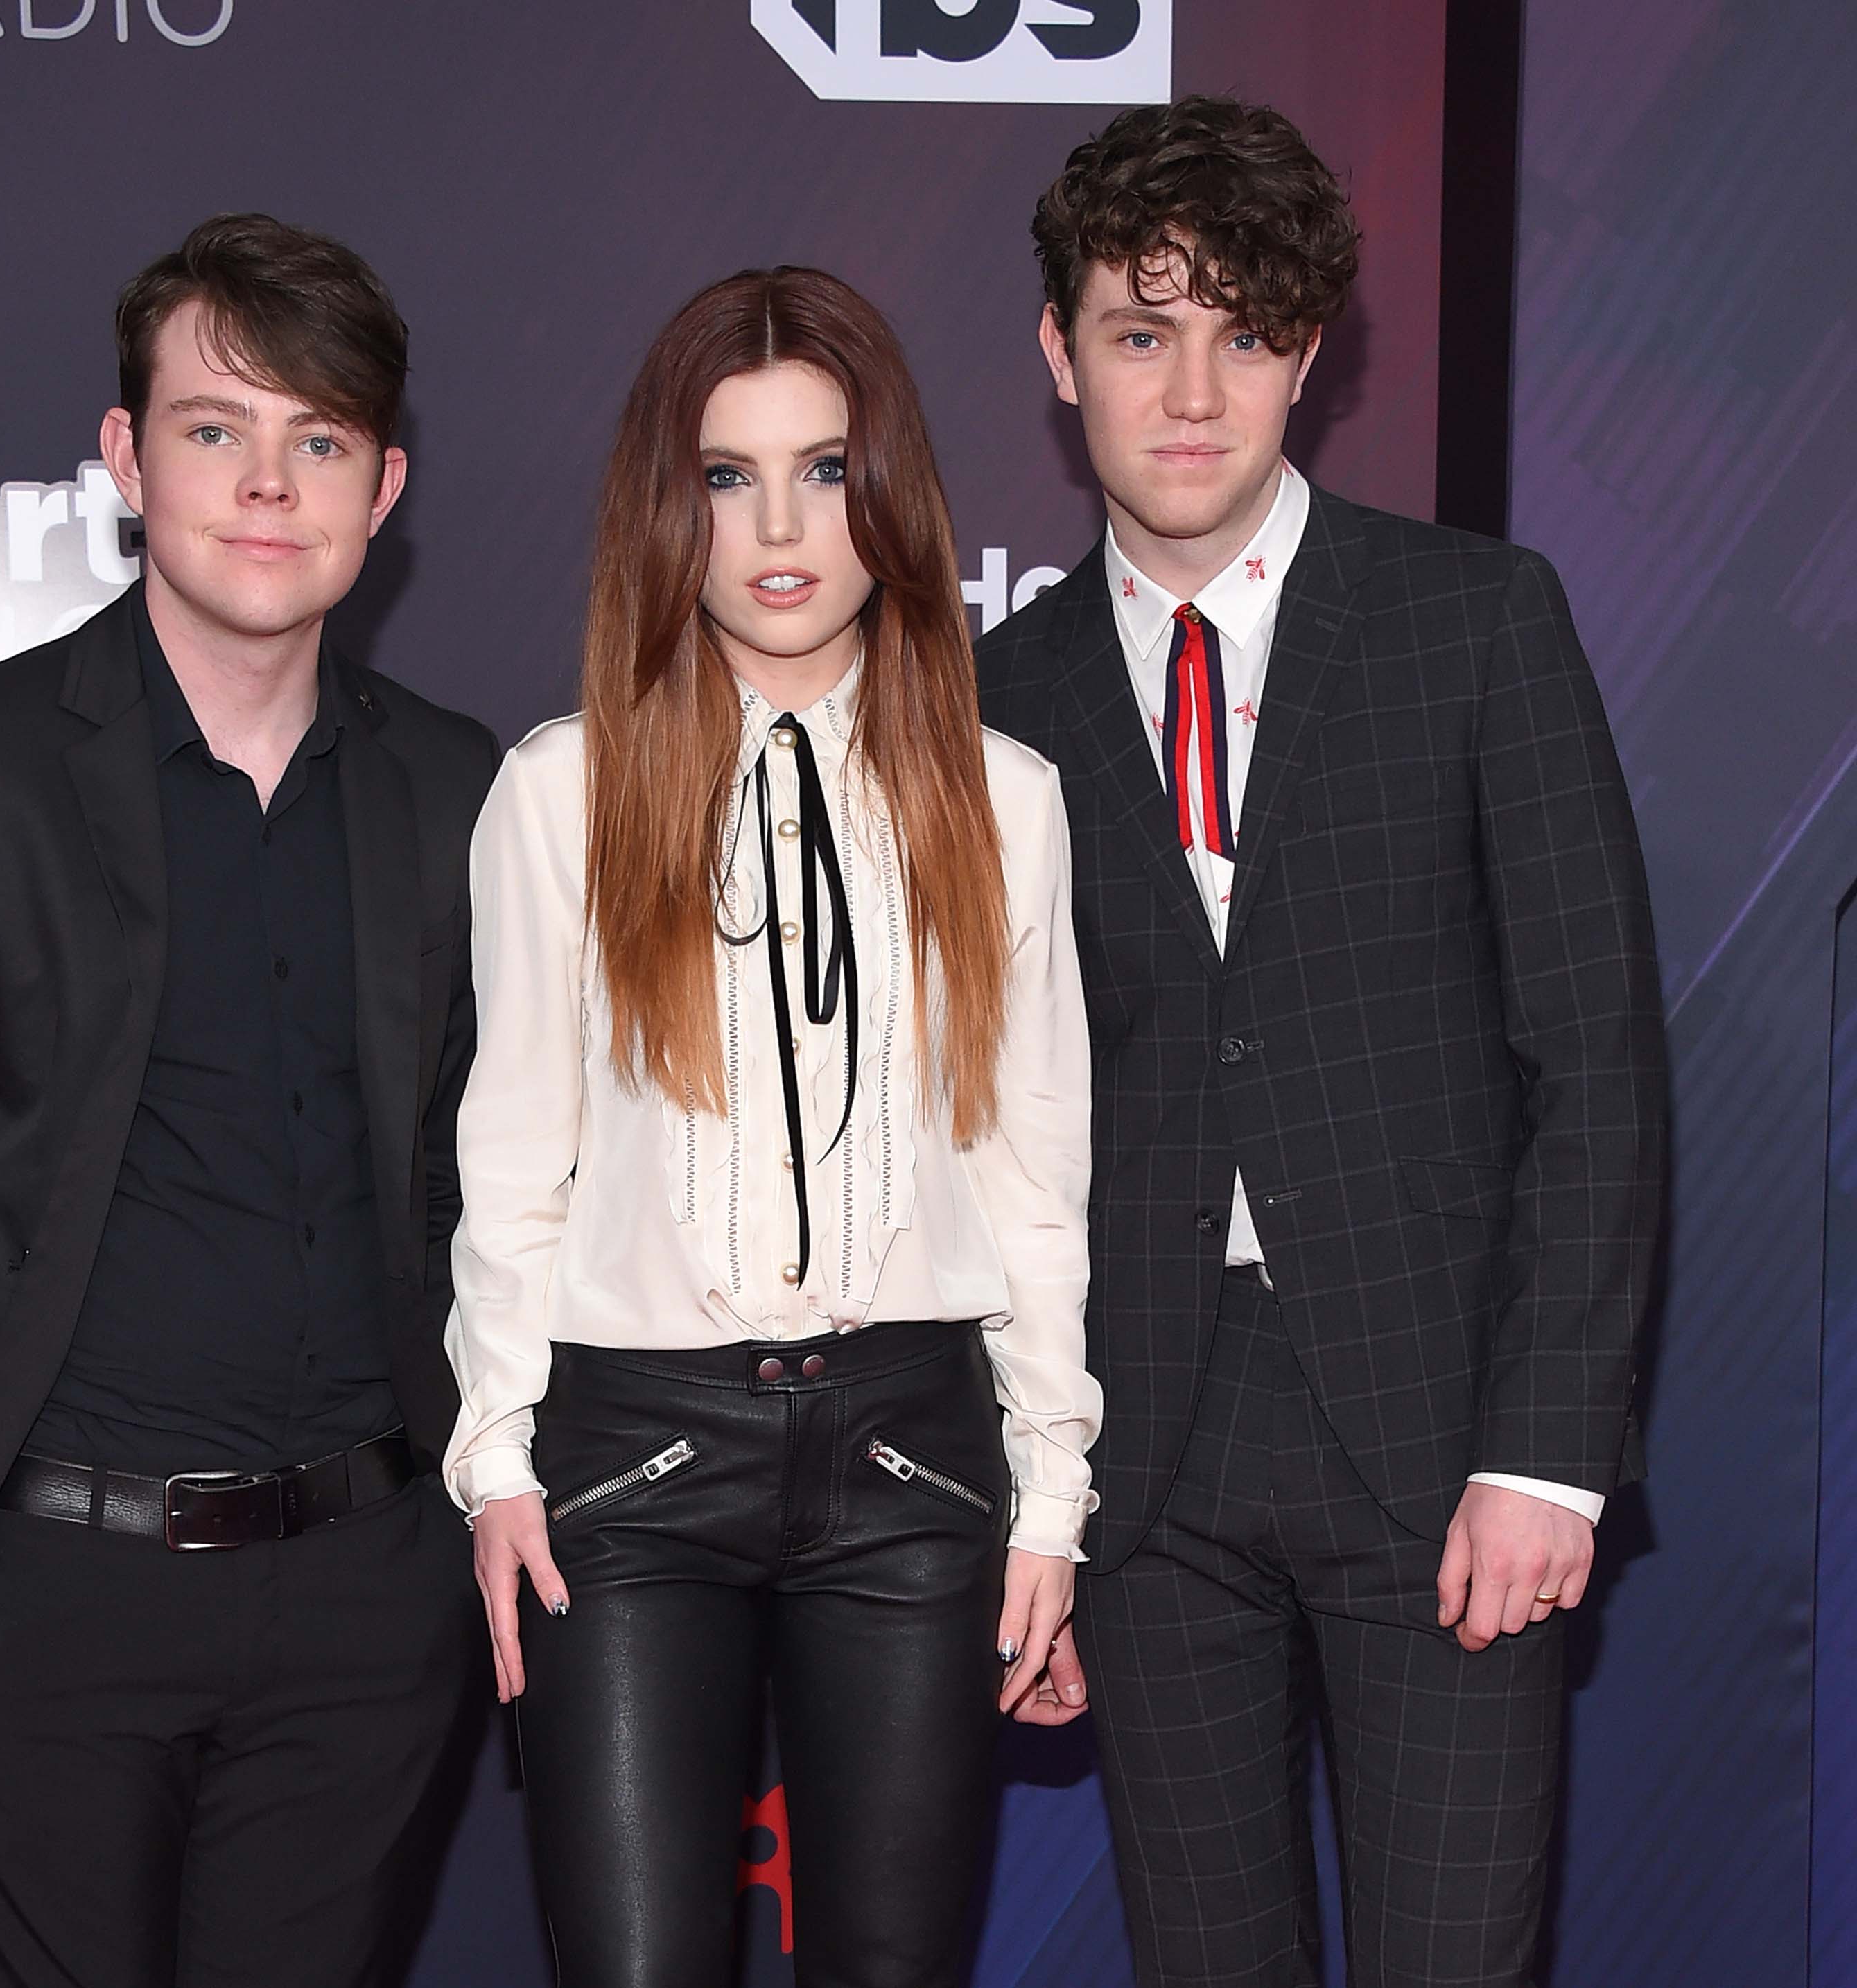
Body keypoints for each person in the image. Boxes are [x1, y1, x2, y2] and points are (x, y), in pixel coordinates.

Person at [976, 98, 1666, 1988]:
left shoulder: (1473, 620)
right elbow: (976, 1140)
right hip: (1145, 1469)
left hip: (1446, 1439)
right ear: (1061, 354)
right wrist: (1031, 1515)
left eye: (1246, 331)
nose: (1192, 390)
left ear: (1310, 352)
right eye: (1141, 329)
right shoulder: (988, 702)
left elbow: (1594, 1057)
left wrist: (1550, 1451)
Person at [0, 213, 497, 1988]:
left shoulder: (457, 788)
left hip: (366, 1600)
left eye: (317, 439)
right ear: (123, 457)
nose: (267, 485)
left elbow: (476, 1188)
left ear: (384, 484)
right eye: (213, 428)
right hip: (43, 1596)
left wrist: (460, 1533)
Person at [444, 265, 1099, 1987]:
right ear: (673, 510)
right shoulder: (558, 793)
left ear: (888, 493)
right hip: (631, 1465)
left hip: (912, 1456)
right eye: (729, 478)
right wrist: (496, 1457)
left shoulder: (1006, 803)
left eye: (824, 467)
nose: (780, 527)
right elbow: (512, 1162)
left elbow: (1036, 1177)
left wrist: (1050, 1497)